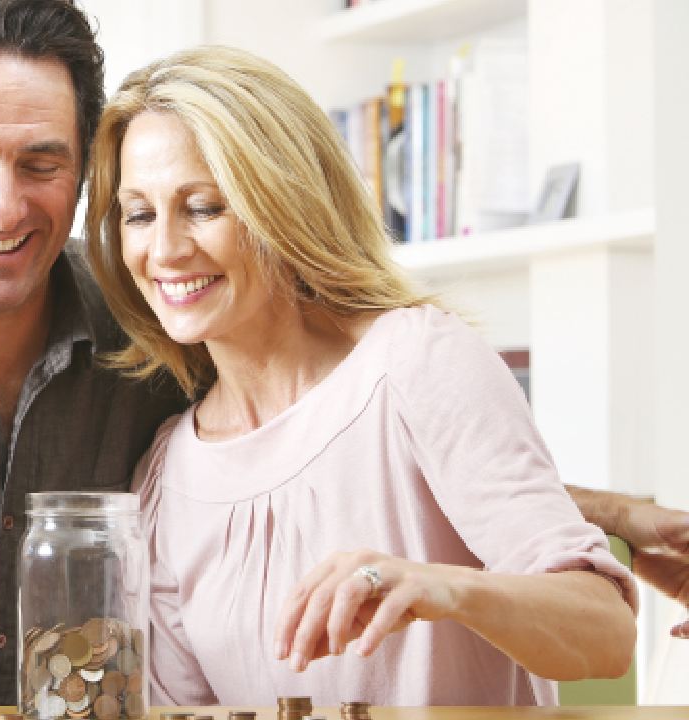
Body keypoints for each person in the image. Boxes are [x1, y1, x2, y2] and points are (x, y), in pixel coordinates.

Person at [0, 0, 688, 709]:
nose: (3, 206)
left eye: (41, 163)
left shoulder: (153, 330)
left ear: (79, 176)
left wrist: (588, 514)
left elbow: (336, 424)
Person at [83, 45, 638, 706]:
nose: (165, 249)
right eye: (139, 214)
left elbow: (605, 633)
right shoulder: (168, 477)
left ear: (282, 203)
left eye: (203, 207)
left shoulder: (416, 363)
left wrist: (447, 589)